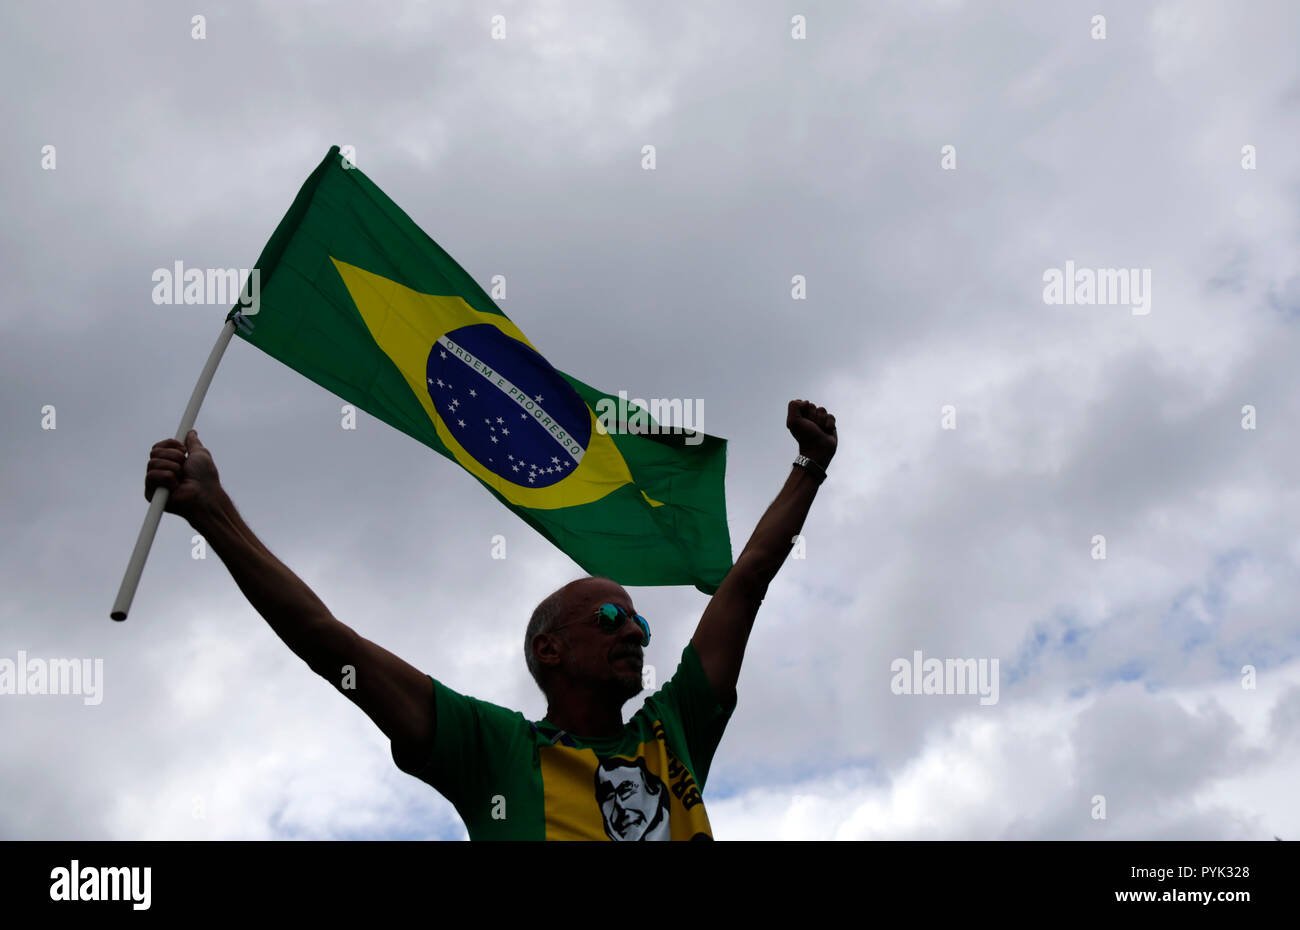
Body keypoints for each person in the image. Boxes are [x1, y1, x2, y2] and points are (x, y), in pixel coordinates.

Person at [144, 399, 836, 839]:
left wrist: (809, 467)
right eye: (608, 616)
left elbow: (746, 582)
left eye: (640, 624)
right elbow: (331, 644)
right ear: (550, 650)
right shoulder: (491, 749)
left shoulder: (674, 730)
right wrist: (212, 512)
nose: (634, 631)